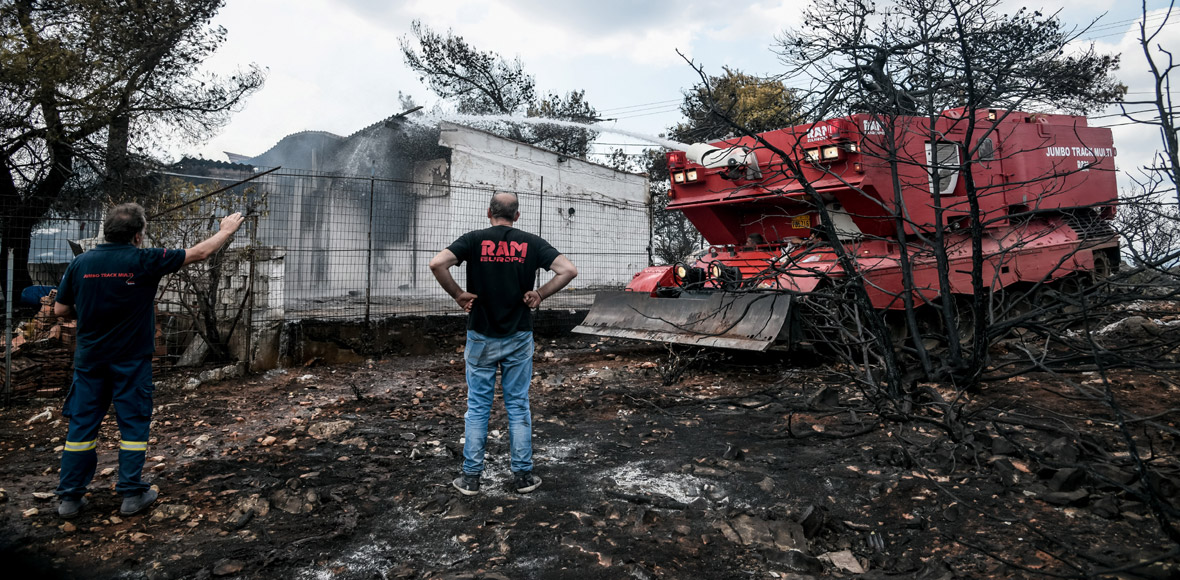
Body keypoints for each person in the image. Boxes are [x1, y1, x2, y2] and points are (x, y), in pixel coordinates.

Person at [54, 203, 245, 518]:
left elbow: (60, 310)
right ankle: (131, 494)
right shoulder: (145, 260)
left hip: (90, 361)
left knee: (82, 427)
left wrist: (90, 309)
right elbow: (198, 253)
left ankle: (70, 500)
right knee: (132, 426)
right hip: (130, 361)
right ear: (138, 236)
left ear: (107, 231)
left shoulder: (81, 263)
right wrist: (225, 230)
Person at [429, 192, 577, 495]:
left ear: (489, 213)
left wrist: (458, 294)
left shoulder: (473, 239)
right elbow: (568, 270)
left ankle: (470, 478)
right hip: (519, 335)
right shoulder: (531, 242)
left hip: (481, 335)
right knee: (518, 406)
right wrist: (540, 294)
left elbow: (437, 263)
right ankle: (523, 477)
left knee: (478, 407)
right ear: (517, 216)